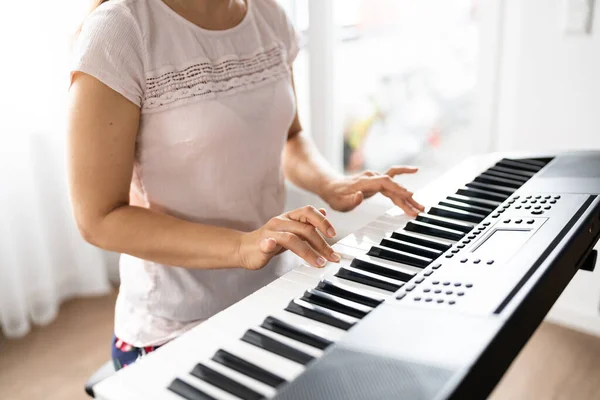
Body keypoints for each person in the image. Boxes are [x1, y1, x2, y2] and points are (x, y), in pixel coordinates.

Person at [67, 0, 424, 370]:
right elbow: (98, 218)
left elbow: (290, 136)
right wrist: (242, 246)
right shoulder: (120, 29)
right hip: (177, 324)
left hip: (277, 290)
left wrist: (330, 183)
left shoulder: (269, 15)